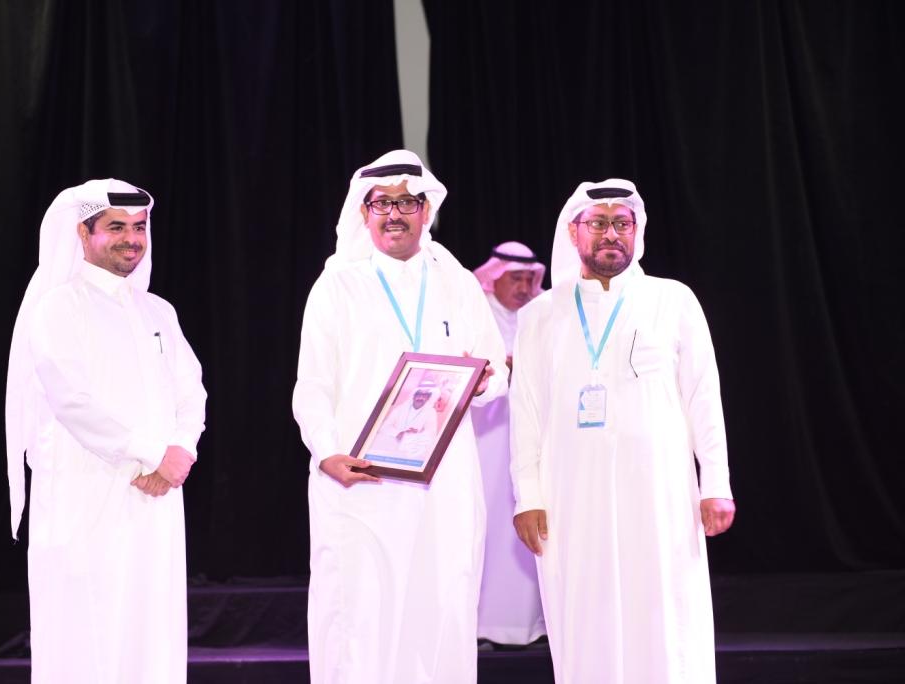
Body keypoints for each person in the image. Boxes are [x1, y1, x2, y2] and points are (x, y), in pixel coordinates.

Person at [292, 150, 509, 684]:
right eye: (382, 203)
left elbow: (496, 370)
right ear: (363, 212)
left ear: (426, 209)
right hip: (361, 477)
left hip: (445, 479)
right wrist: (327, 453)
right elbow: (312, 385)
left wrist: (483, 380)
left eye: (407, 202)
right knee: (361, 615)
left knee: (443, 606)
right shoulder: (338, 285)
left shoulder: (456, 281)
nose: (395, 213)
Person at [510, 179, 735, 683]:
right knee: (583, 613)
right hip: (569, 496)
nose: (610, 234)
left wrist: (715, 483)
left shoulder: (672, 299)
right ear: (574, 232)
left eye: (621, 223)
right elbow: (525, 412)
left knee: (664, 612)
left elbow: (703, 395)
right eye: (598, 223)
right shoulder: (541, 315)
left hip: (660, 493)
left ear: (637, 231)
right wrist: (527, 496)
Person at [5, 179, 207, 684]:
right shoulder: (57, 307)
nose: (131, 239)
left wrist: (181, 451)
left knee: (152, 628)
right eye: (116, 227)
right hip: (85, 495)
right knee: (86, 630)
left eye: (139, 227)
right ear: (84, 232)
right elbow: (72, 401)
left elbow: (192, 392)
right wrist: (153, 453)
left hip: (157, 496)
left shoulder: (158, 311)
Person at [471, 242, 547, 647]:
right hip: (487, 436)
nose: (523, 288)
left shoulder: (540, 314)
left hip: (532, 437)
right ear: (494, 278)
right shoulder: (476, 310)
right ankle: (484, 626)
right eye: (514, 279)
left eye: (528, 280)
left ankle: (532, 624)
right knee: (489, 525)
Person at [372, 383, 440, 462]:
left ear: (428, 398)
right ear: (413, 396)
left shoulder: (431, 412)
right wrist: (398, 433)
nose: (421, 397)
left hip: (412, 449)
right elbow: (383, 427)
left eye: (425, 395)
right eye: (418, 394)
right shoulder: (400, 409)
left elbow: (431, 433)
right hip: (391, 445)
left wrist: (417, 434)